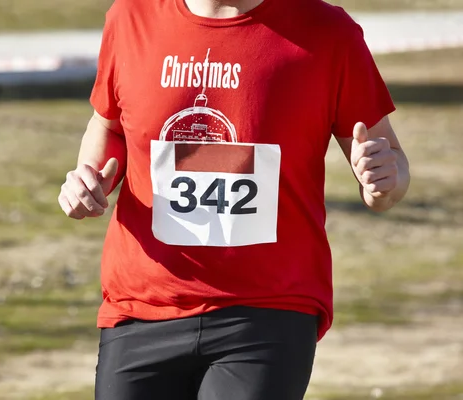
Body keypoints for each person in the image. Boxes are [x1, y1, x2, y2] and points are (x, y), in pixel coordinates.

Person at [58, 0, 410, 398]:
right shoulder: (131, 18)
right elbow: (109, 125)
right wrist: (88, 176)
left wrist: (383, 182)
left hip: (267, 309)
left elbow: (390, 168)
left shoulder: (328, 31)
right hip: (142, 306)